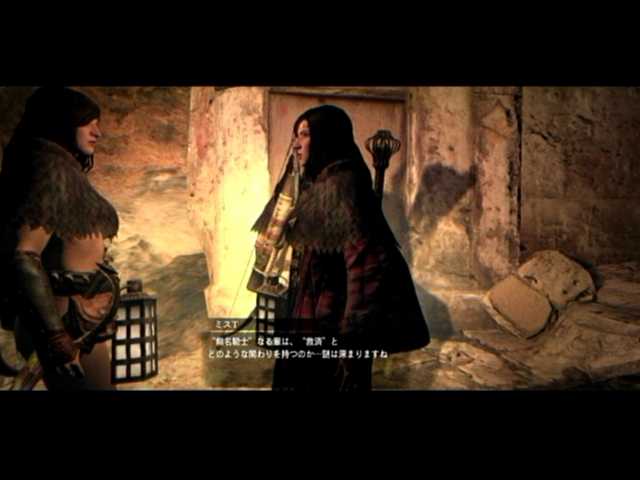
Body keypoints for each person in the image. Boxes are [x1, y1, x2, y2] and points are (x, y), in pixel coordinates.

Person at [251, 105, 430, 391]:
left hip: (333, 324)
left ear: (326, 138)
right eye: (296, 135)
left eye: (305, 134)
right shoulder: (320, 182)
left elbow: (367, 268)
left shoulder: (342, 189)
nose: (296, 144)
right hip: (312, 315)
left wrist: (352, 341)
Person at [0, 87, 120, 390]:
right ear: (62, 121)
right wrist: (56, 337)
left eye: (97, 123)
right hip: (61, 323)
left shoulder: (65, 170)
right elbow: (24, 255)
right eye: (87, 122)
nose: (97, 132)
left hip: (78, 324)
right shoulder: (48, 169)